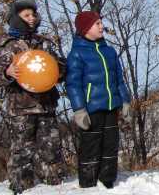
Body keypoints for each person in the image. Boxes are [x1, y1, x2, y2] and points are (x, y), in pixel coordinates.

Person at [0, 0, 66, 194]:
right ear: (16, 18)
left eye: (33, 14)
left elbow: (59, 68)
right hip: (21, 106)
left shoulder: (44, 43)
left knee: (51, 147)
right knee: (22, 149)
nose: (31, 18)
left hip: (46, 104)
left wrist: (60, 69)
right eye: (26, 15)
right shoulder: (9, 44)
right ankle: (21, 186)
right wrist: (6, 72)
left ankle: (54, 184)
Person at [65, 11, 131, 189]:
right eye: (97, 24)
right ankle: (88, 184)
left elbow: (119, 79)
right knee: (91, 146)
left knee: (111, 143)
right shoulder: (77, 54)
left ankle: (108, 180)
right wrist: (79, 109)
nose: (102, 27)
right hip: (91, 108)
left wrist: (125, 100)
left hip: (111, 106)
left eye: (102, 23)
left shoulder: (109, 51)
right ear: (86, 29)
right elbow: (72, 84)